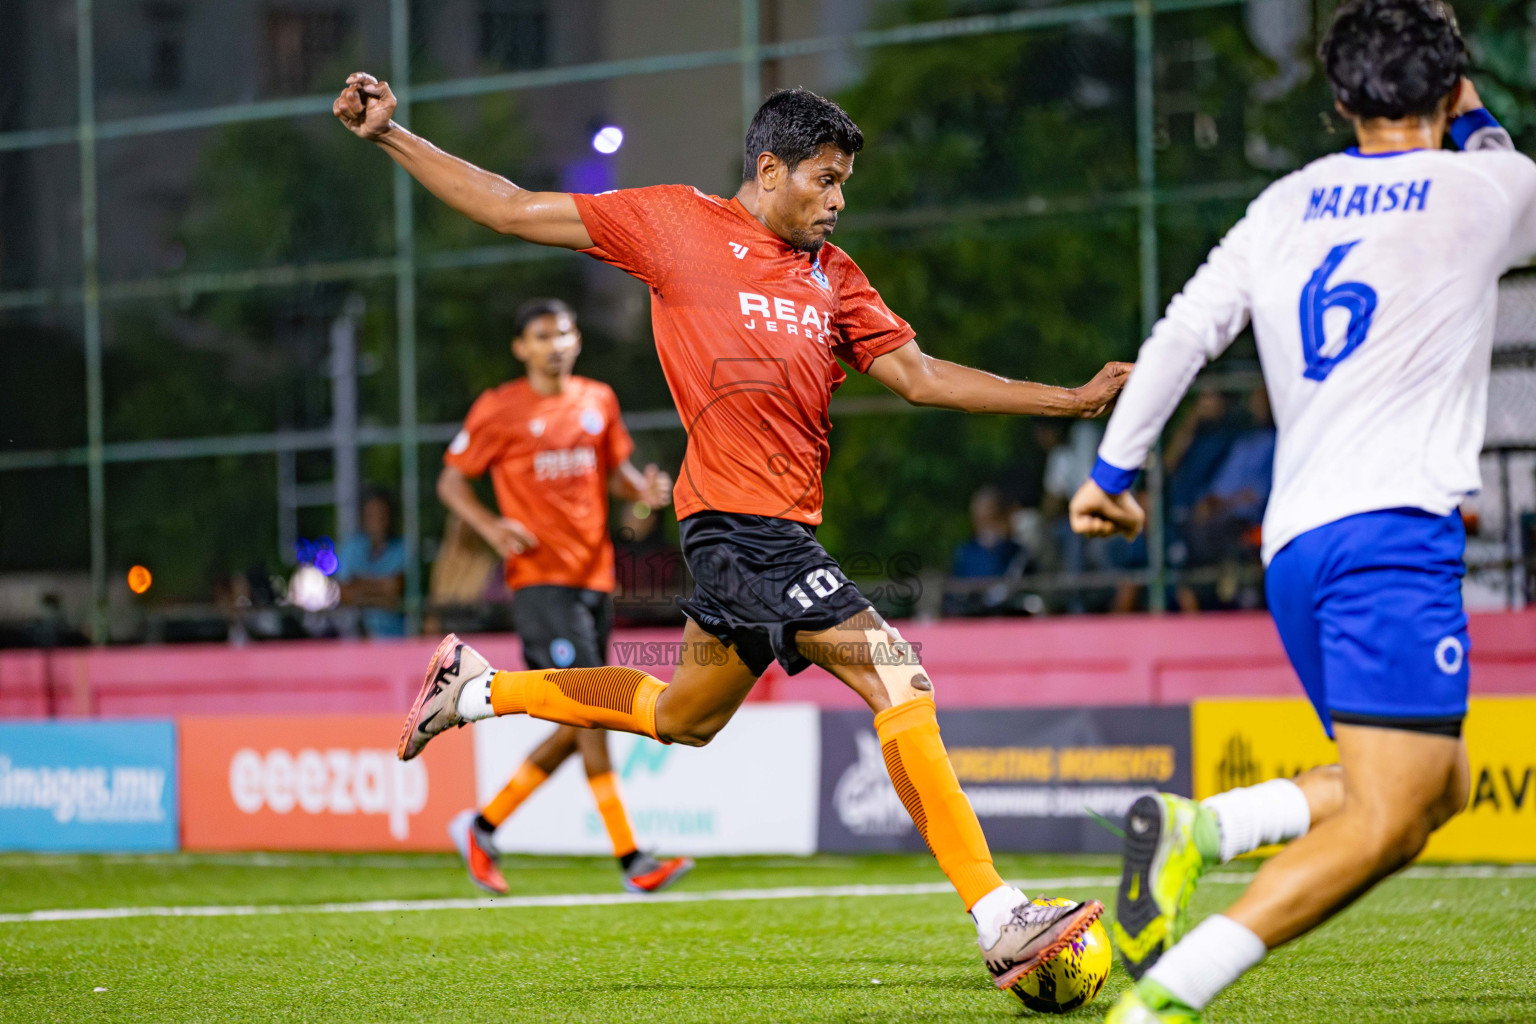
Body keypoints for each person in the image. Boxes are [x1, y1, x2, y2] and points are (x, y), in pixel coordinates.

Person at [336, 78, 1129, 988]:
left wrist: (1068, 400)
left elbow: (919, 376)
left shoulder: (835, 276)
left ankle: (476, 691)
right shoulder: (675, 224)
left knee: (682, 717)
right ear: (770, 168)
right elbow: (512, 208)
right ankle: (1000, 915)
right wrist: (392, 134)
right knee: (898, 676)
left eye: (844, 184)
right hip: (738, 528)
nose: (838, 200)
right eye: (825, 180)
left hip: (767, 533)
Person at [1068, 3, 1528, 1019]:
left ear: (1340, 98)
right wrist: (1471, 112)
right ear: (1450, 88)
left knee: (1438, 784)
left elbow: (1182, 334)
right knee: (1390, 817)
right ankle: (1163, 1000)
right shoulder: (1490, 186)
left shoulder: (1284, 204)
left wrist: (1112, 474)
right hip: (1390, 540)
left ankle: (1201, 831)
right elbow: (1497, 159)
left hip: (1297, 548)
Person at [435, 297, 692, 896]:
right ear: (521, 348)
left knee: (581, 717)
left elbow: (618, 476)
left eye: (565, 333)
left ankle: (482, 827)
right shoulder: (499, 408)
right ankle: (631, 859)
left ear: (577, 340)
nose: (556, 345)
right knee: (592, 710)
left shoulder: (598, 400)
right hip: (540, 582)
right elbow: (451, 481)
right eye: (542, 336)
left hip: (594, 580)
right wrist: (492, 527)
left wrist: (644, 490)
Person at [943, 485, 1026, 616]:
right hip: (969, 615)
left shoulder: (1015, 551)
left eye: (990, 516)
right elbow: (955, 590)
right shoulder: (964, 552)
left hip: (1005, 615)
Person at [336, 489, 407, 637]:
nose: (377, 521)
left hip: (396, 638)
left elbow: (396, 589)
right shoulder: (351, 547)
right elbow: (344, 594)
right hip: (355, 639)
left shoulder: (402, 548)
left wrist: (358, 584)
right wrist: (383, 588)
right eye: (371, 516)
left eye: (382, 515)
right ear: (363, 518)